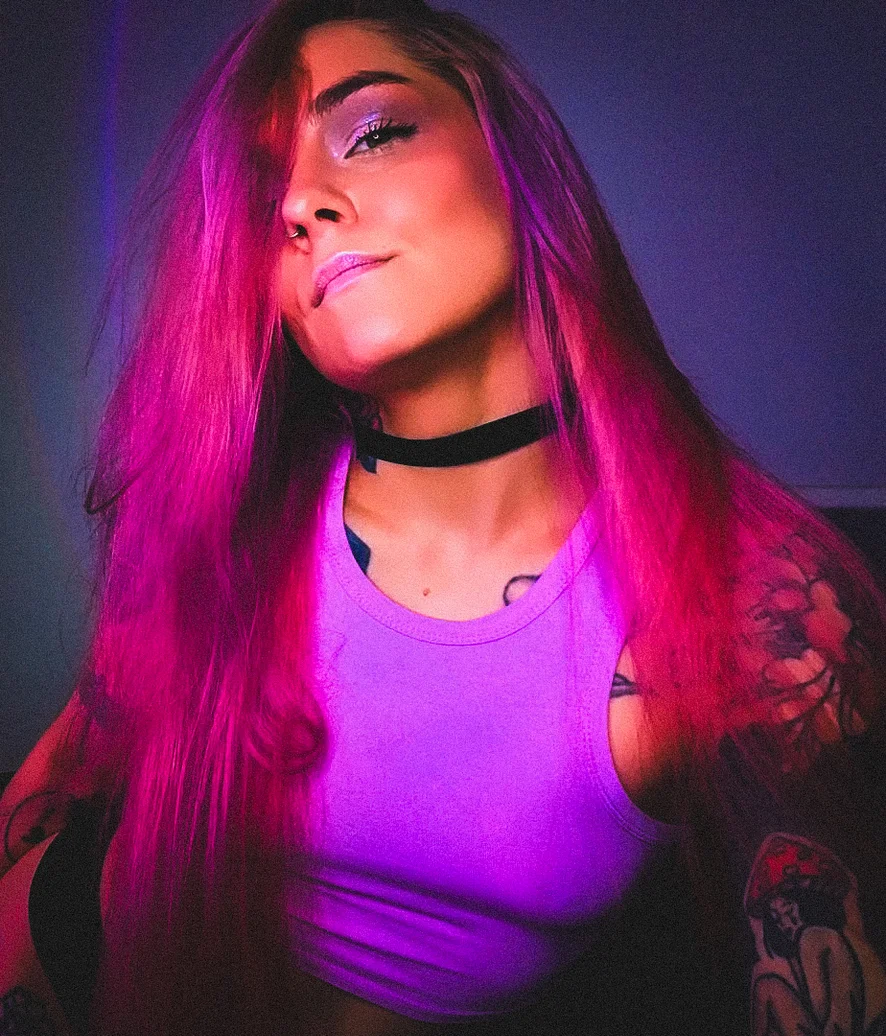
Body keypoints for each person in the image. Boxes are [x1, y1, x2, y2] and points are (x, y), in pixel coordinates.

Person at [1, 0, 885, 1033]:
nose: (301, 205)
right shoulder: (229, 516)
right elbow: (67, 771)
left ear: (509, 156)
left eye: (372, 132)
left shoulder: (759, 598)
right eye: (263, 197)